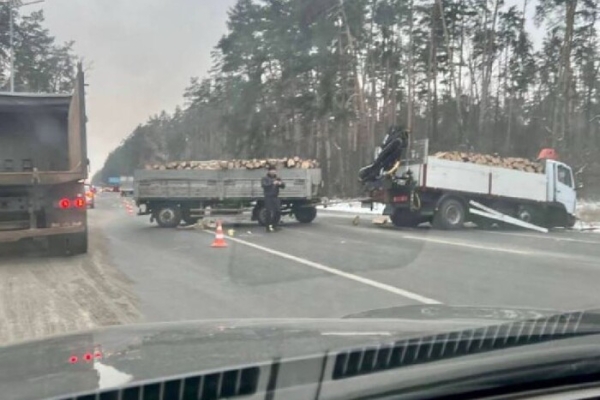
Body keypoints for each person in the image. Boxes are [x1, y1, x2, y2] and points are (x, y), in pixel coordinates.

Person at [261, 166, 285, 232]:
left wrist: (280, 183)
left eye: (274, 170)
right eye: (271, 170)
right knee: (269, 212)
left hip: (275, 197)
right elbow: (264, 185)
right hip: (268, 197)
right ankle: (268, 227)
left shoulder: (277, 178)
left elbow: (283, 186)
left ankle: (274, 225)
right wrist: (272, 183)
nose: (273, 172)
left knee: (278, 211)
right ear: (268, 171)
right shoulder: (265, 178)